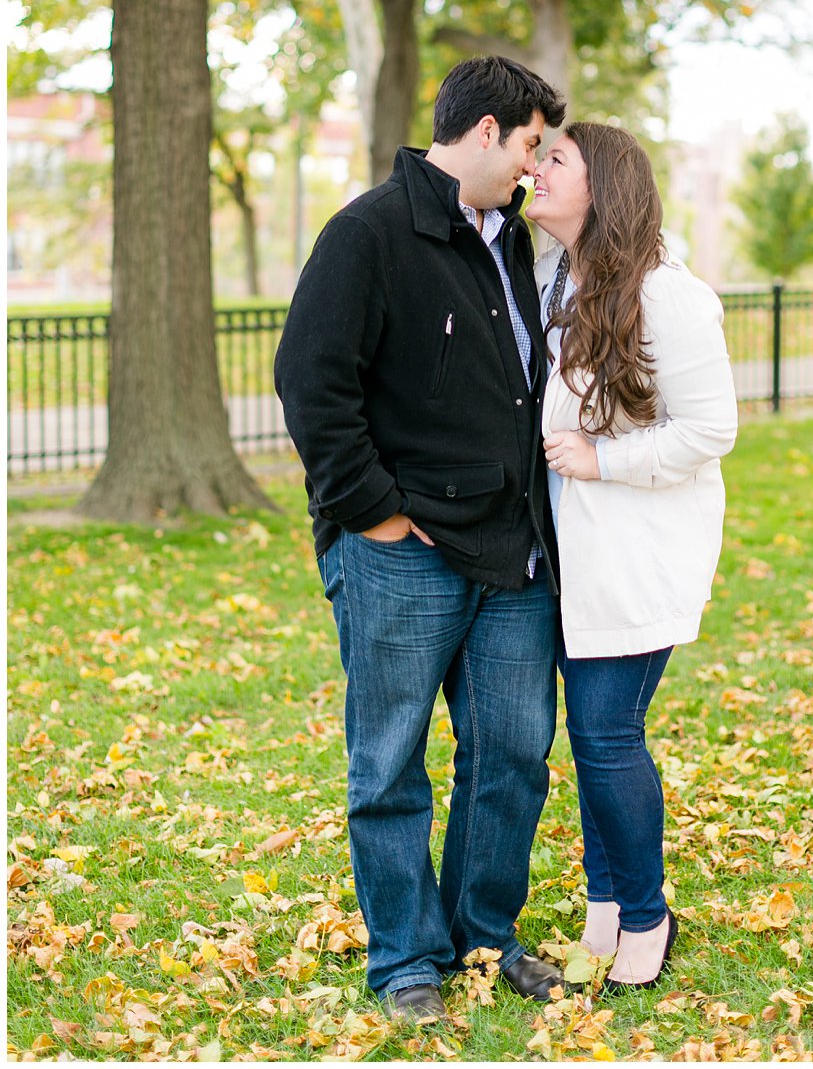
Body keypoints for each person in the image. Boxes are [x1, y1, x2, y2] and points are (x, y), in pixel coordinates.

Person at [275, 55, 570, 1021]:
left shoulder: (513, 244)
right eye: (531, 143)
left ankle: (484, 936)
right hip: (404, 553)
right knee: (390, 762)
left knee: (515, 753)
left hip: (513, 551)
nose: (535, 165)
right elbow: (312, 383)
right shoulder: (367, 233)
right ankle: (406, 960)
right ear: (485, 131)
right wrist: (374, 514)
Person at [524, 122, 738, 994]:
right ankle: (604, 913)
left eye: (556, 159)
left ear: (602, 187)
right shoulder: (557, 281)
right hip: (580, 547)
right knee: (594, 736)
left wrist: (602, 458)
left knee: (608, 736)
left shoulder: (668, 294)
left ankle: (646, 917)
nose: (535, 169)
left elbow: (712, 429)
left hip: (641, 549)